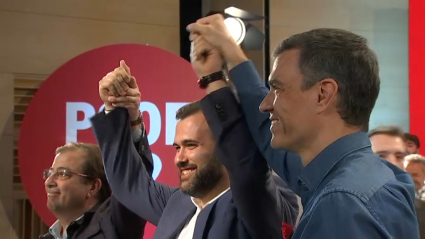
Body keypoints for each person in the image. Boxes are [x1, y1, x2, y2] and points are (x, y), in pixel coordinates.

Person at [187, 14, 419, 238]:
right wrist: (221, 66)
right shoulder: (373, 175)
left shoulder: (341, 203)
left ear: (323, 94)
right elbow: (264, 134)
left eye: (278, 89)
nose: (265, 105)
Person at [90, 60, 298, 239]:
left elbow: (247, 170)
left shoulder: (262, 201)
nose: (179, 158)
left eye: (191, 145)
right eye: (177, 147)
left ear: (227, 146)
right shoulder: (178, 202)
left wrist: (213, 77)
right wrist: (122, 111)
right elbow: (129, 184)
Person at [39, 142, 152, 239]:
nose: (49, 182)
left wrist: (134, 124)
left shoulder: (114, 224)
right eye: (50, 173)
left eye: (63, 174)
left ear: (93, 187)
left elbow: (136, 179)